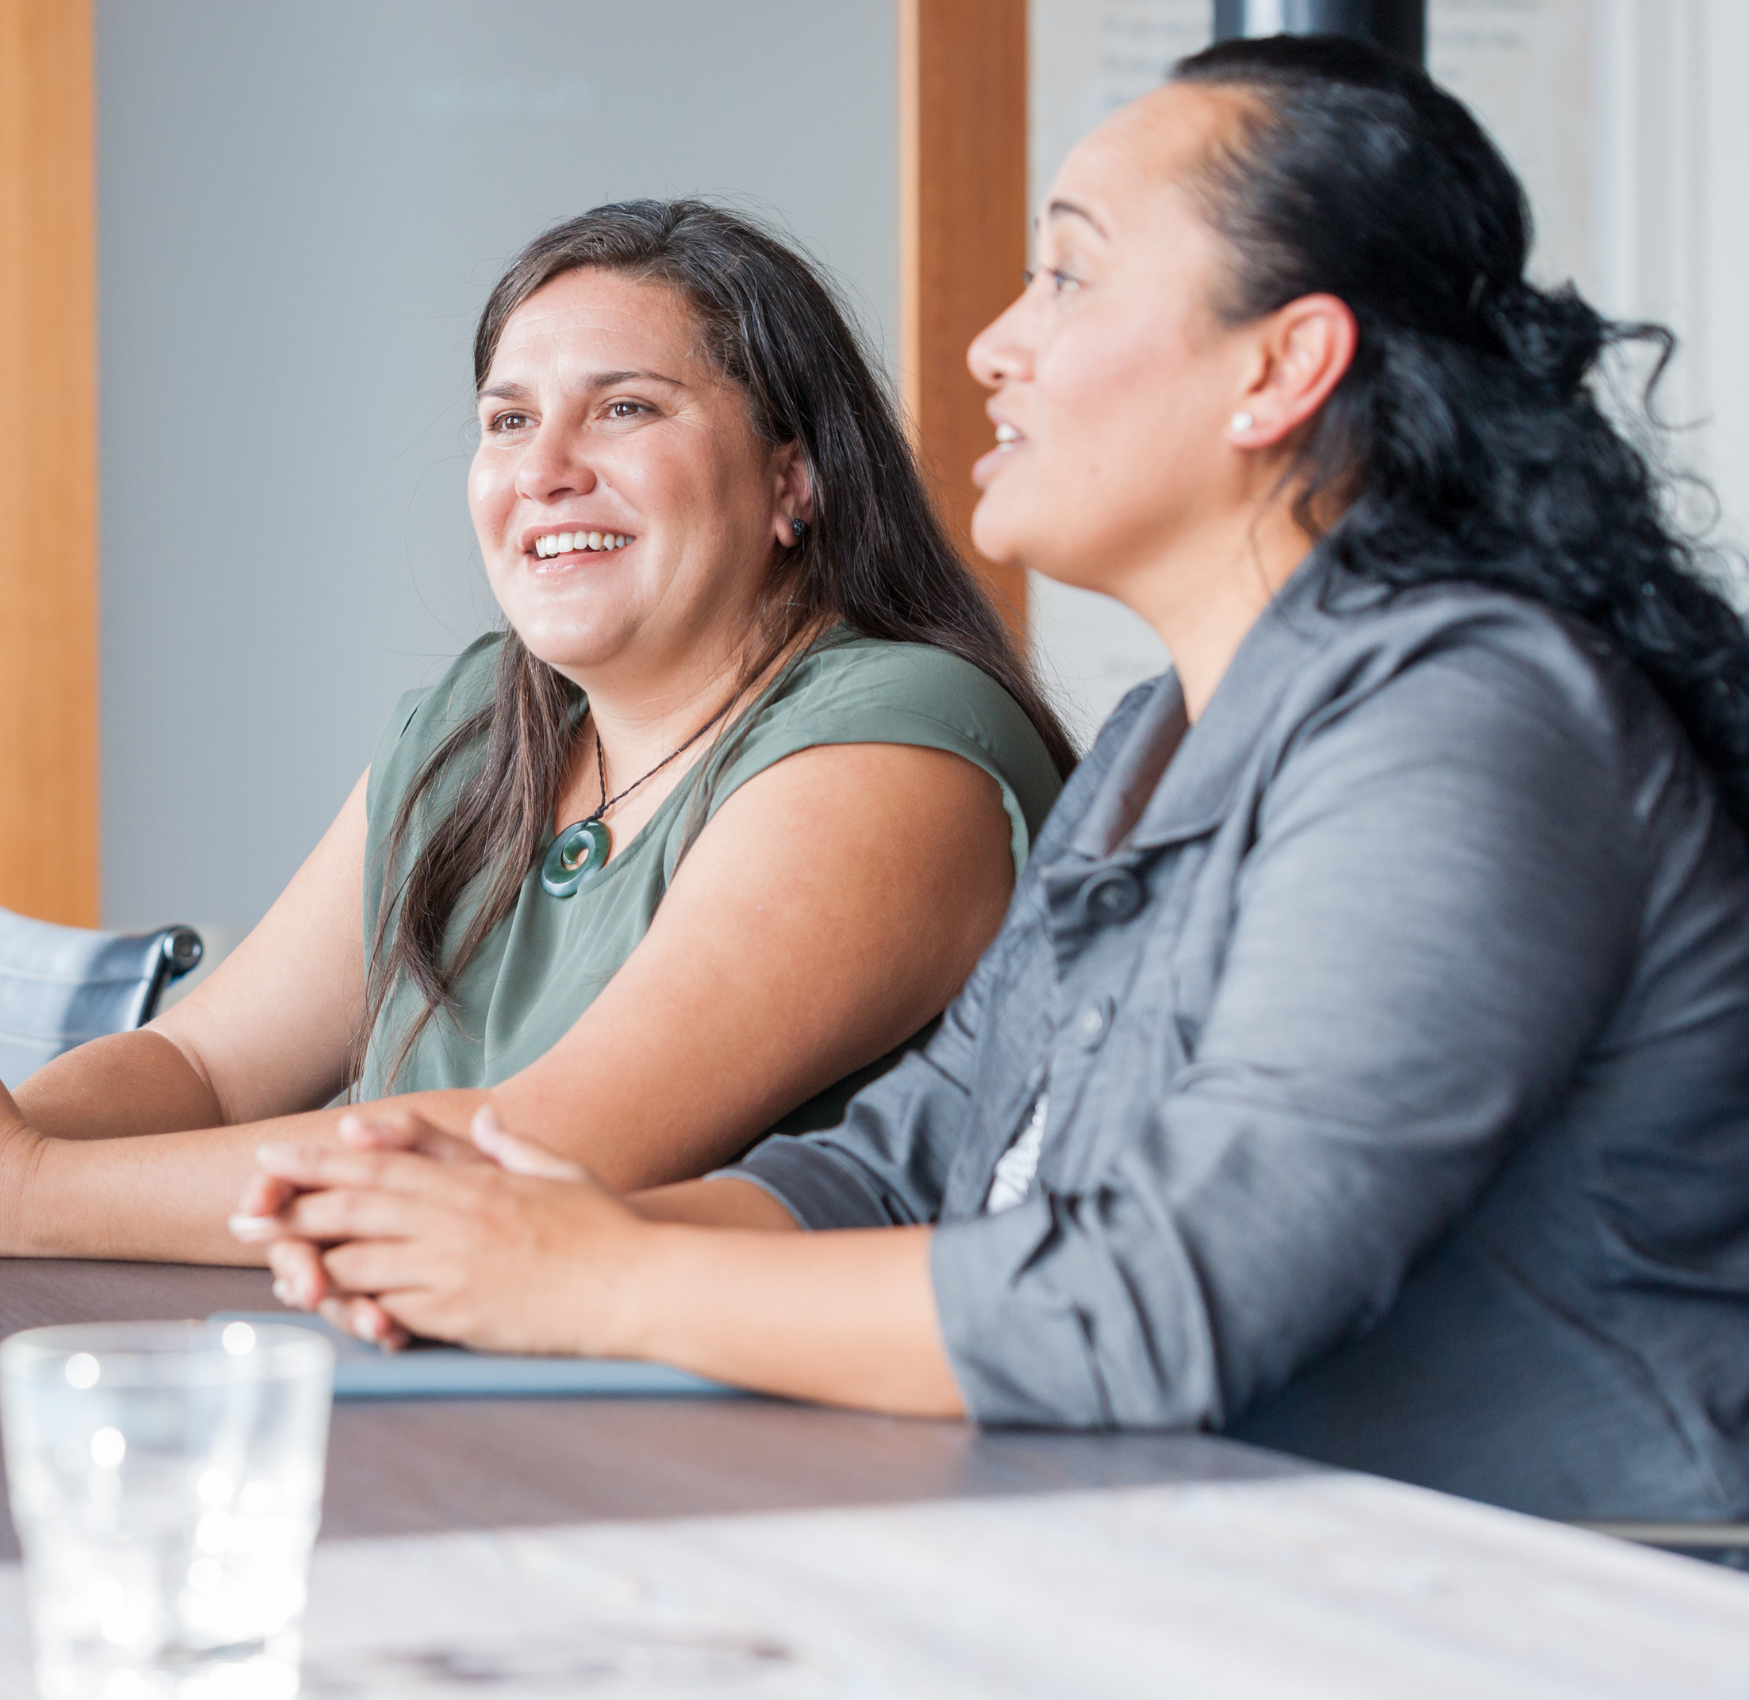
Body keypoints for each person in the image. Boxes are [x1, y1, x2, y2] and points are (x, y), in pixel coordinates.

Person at [240, 37, 1749, 1522]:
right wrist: (507, 1240)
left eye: (1068, 277)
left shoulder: (1472, 724)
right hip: (1219, 1555)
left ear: (1282, 366)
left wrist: (596, 1278)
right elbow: (914, 1163)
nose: (990, 347)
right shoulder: (1167, 737)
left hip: (1545, 1601)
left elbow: (1160, 1298)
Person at [0, 201, 1071, 1263]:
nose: (545, 469)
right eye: (509, 420)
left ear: (795, 480)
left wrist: (8, 1189)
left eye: (628, 408)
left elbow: (549, 1146)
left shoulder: (898, 746)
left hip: (748, 1471)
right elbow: (204, 1064)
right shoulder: (481, 722)